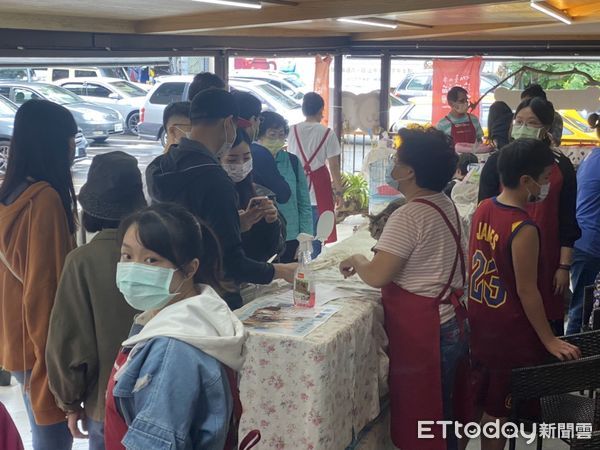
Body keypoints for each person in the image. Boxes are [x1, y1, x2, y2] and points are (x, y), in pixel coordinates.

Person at [338, 128, 468, 450]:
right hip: (451, 322)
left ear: (409, 171)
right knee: (446, 414)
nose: (392, 163)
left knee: (428, 418)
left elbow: (378, 275)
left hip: (427, 332)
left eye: (397, 158)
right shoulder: (444, 203)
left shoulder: (408, 215)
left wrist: (356, 257)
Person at [467, 139, 580, 450]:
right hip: (509, 332)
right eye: (544, 178)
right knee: (497, 412)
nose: (545, 185)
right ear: (526, 181)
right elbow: (527, 290)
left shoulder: (484, 208)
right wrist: (549, 339)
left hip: (481, 322)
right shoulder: (523, 227)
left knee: (476, 401)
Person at [103, 203, 246, 450]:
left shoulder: (172, 348)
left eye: (152, 260)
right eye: (127, 256)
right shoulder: (195, 315)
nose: (134, 268)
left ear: (190, 268)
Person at [146, 88, 296, 310]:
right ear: (228, 123)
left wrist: (238, 223)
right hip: (209, 298)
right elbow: (229, 260)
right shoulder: (215, 179)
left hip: (166, 292)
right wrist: (280, 271)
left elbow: (188, 230)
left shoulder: (160, 166)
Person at [46, 152, 147, 450]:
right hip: (161, 397)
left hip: (105, 401)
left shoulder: (82, 261)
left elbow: (70, 341)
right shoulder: (162, 253)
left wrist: (69, 402)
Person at [0, 100, 78, 450]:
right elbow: (45, 291)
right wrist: (53, 363)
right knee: (52, 438)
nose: (73, 146)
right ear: (52, 142)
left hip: (14, 337)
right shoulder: (43, 201)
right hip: (39, 345)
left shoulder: (10, 193)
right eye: (69, 138)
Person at [478, 97, 580, 335]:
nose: (523, 127)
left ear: (545, 127)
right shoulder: (497, 162)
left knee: (544, 319)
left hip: (547, 258)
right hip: (502, 259)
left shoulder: (560, 166)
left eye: (532, 122)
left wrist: (564, 266)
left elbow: (567, 222)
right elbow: (484, 213)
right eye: (519, 121)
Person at [287, 92, 343, 256]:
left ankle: (298, 266)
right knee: (319, 233)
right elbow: (334, 166)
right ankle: (312, 267)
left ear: (303, 110)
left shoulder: (291, 130)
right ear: (320, 110)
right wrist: (339, 192)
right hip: (320, 187)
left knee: (298, 233)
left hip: (296, 185)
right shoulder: (327, 133)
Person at [255, 111, 312, 263]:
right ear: (259, 135)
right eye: (272, 134)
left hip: (292, 237)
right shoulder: (252, 160)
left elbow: (304, 202)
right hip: (263, 236)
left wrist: (305, 238)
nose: (278, 139)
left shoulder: (292, 161)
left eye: (281, 134)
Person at [223, 128, 286, 262]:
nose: (241, 164)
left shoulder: (260, 194)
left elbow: (275, 250)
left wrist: (272, 222)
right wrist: (237, 227)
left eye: (246, 157)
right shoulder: (213, 196)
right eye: (232, 160)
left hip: (258, 277)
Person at [567, 113, 600, 334]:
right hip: (590, 245)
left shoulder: (592, 156)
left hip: (583, 241)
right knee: (581, 311)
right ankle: (572, 366)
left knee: (581, 309)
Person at [234, 90, 291, 204]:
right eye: (259, 119)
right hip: (255, 216)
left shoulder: (215, 150)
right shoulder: (260, 154)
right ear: (252, 120)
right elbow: (283, 193)